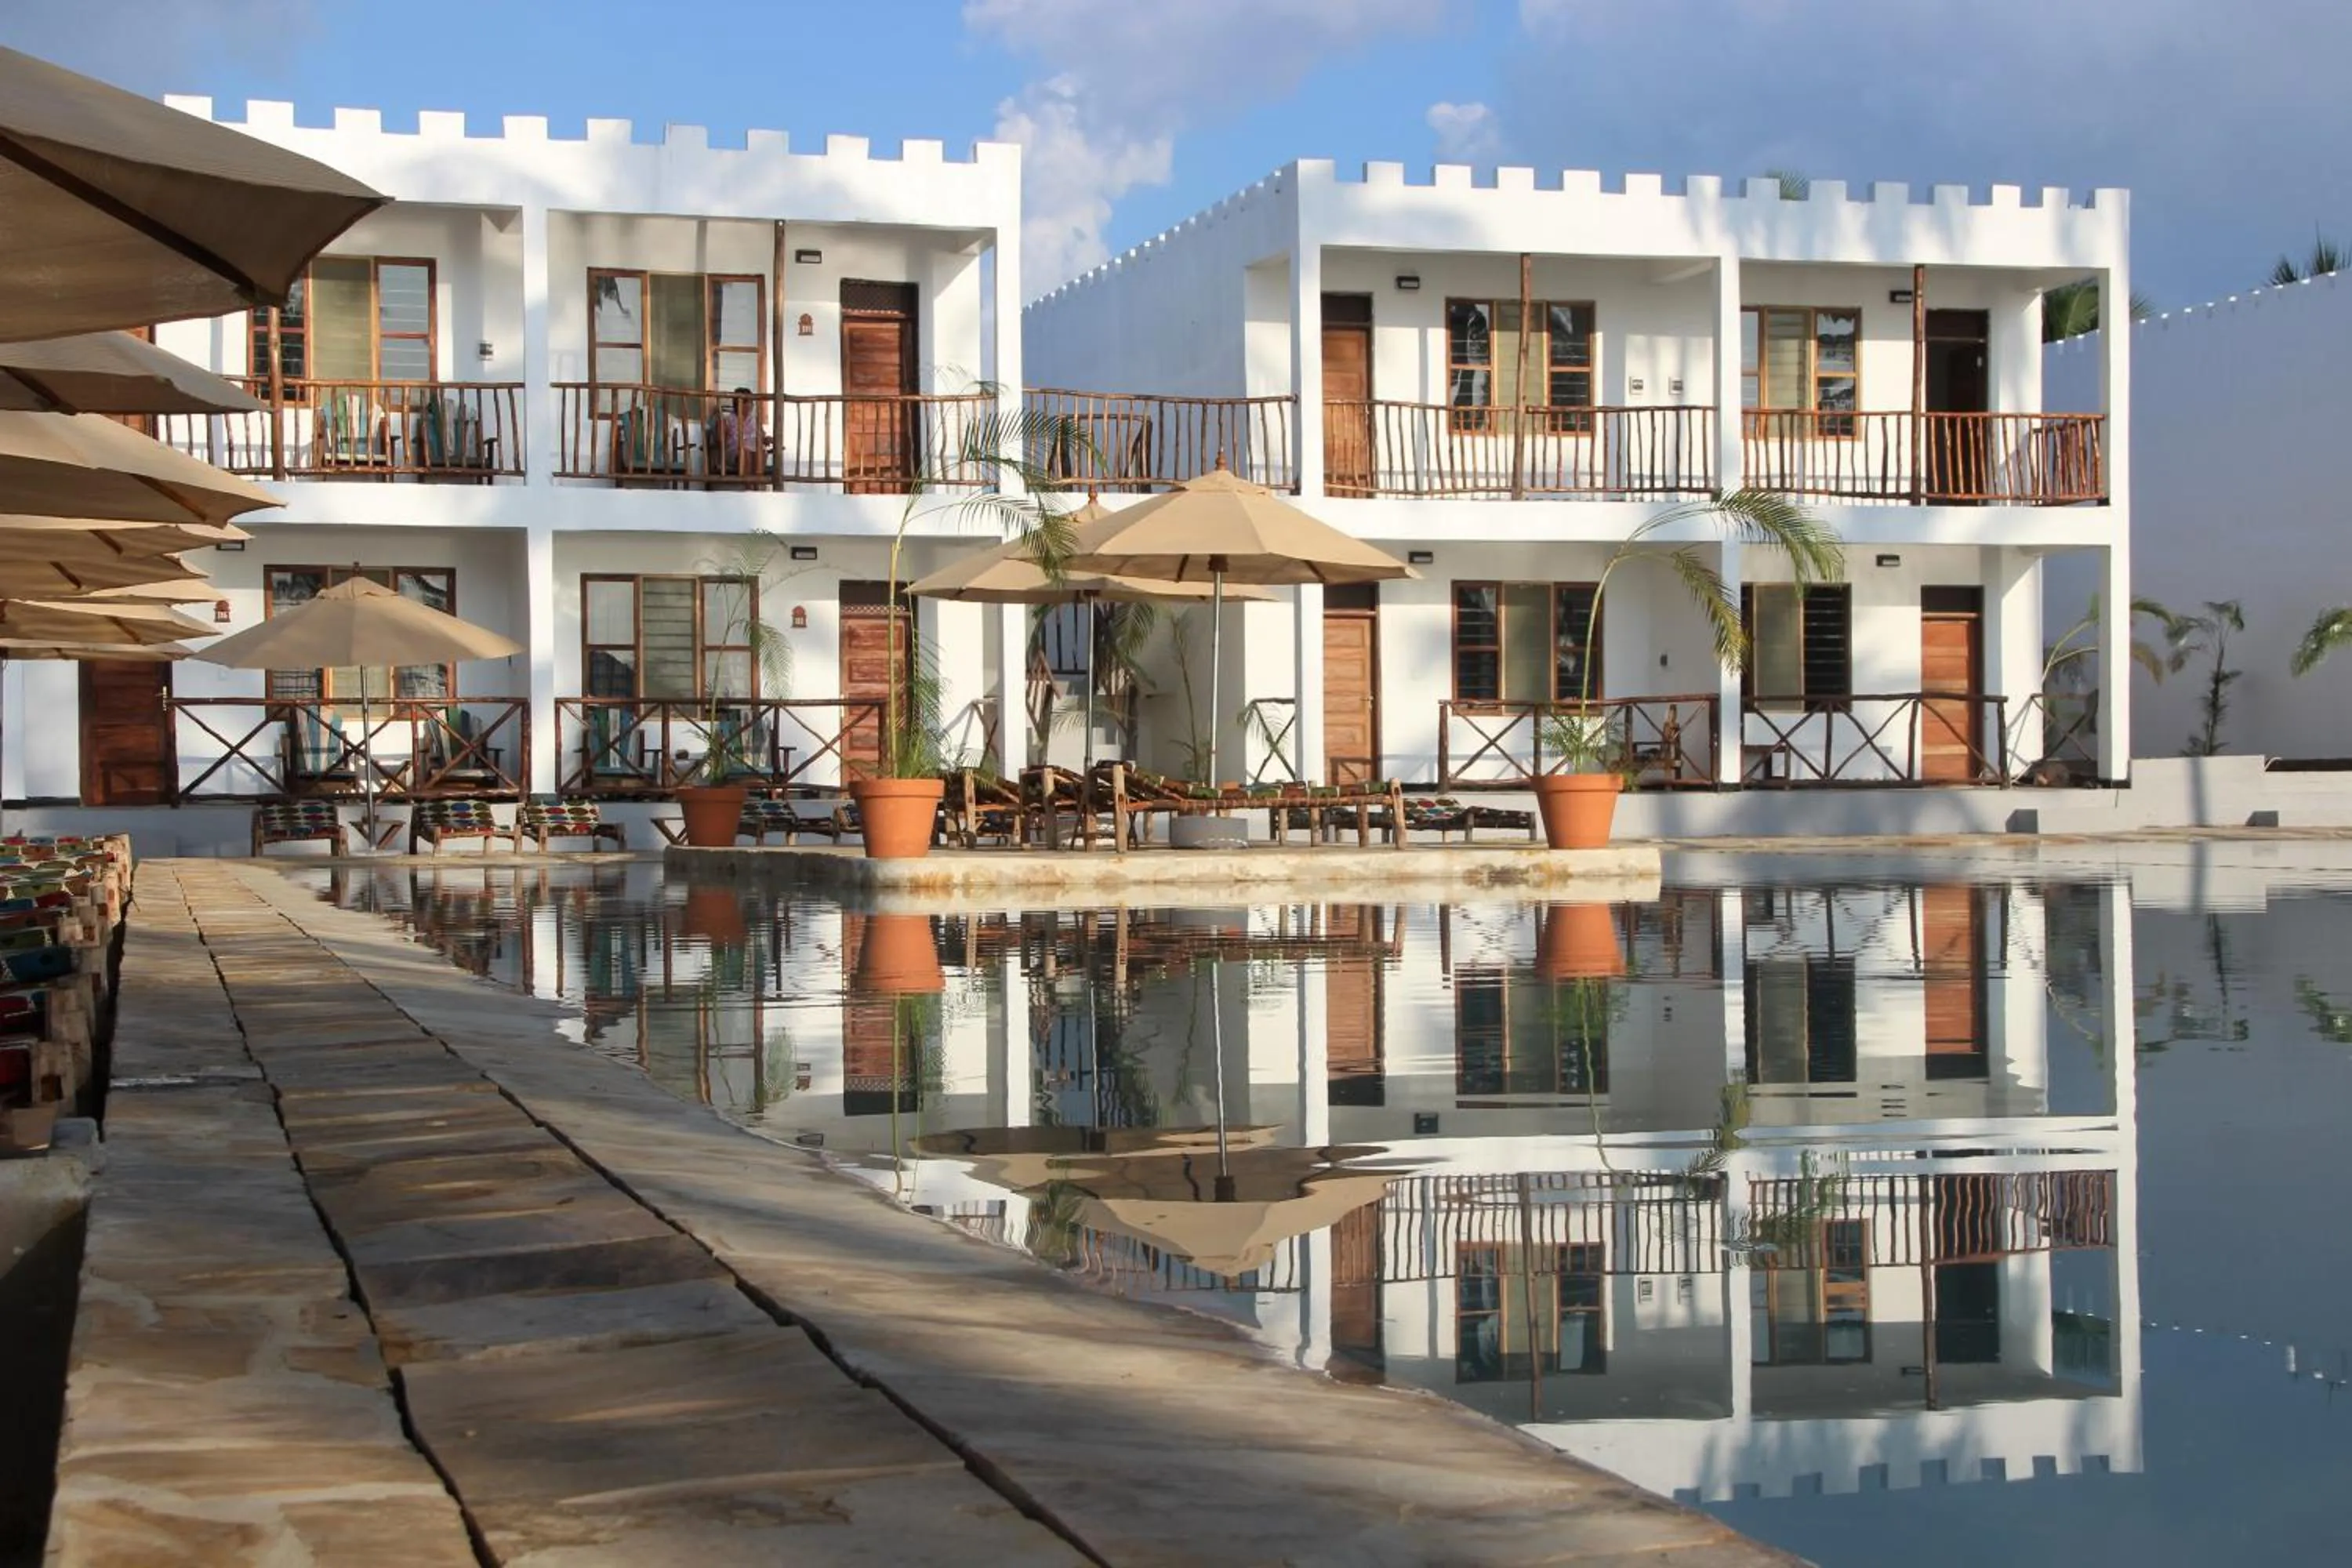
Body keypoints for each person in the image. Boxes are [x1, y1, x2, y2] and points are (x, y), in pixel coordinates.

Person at [713, 386, 764, 477]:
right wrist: (724, 432)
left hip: (753, 451)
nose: (752, 406)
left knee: (761, 453)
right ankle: (749, 488)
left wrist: (765, 439)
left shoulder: (754, 421)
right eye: (749, 402)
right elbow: (720, 440)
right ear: (740, 404)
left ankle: (757, 486)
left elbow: (762, 436)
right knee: (745, 452)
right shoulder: (726, 419)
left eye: (752, 403)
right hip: (733, 454)